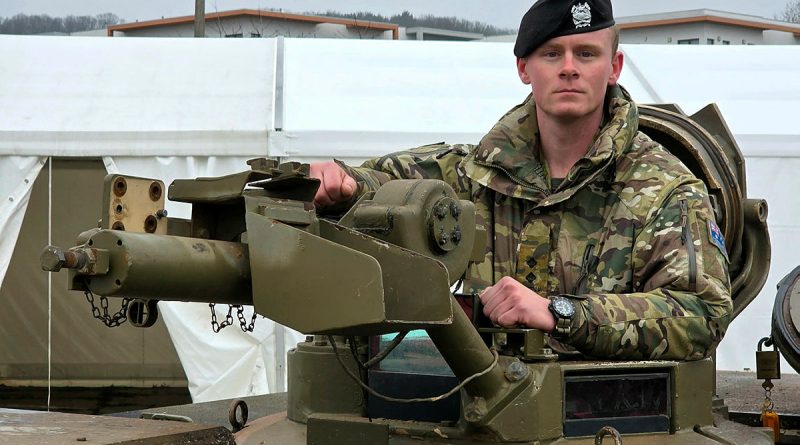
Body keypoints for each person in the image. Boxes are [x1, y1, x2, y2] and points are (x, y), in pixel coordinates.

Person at [309, 0, 731, 361]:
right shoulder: (477, 174)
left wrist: (562, 313)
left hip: (607, 422)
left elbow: (702, 311)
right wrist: (344, 182)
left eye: (586, 54)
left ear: (614, 67)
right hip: (472, 417)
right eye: (551, 54)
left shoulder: (665, 189)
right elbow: (391, 183)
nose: (569, 69)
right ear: (524, 68)